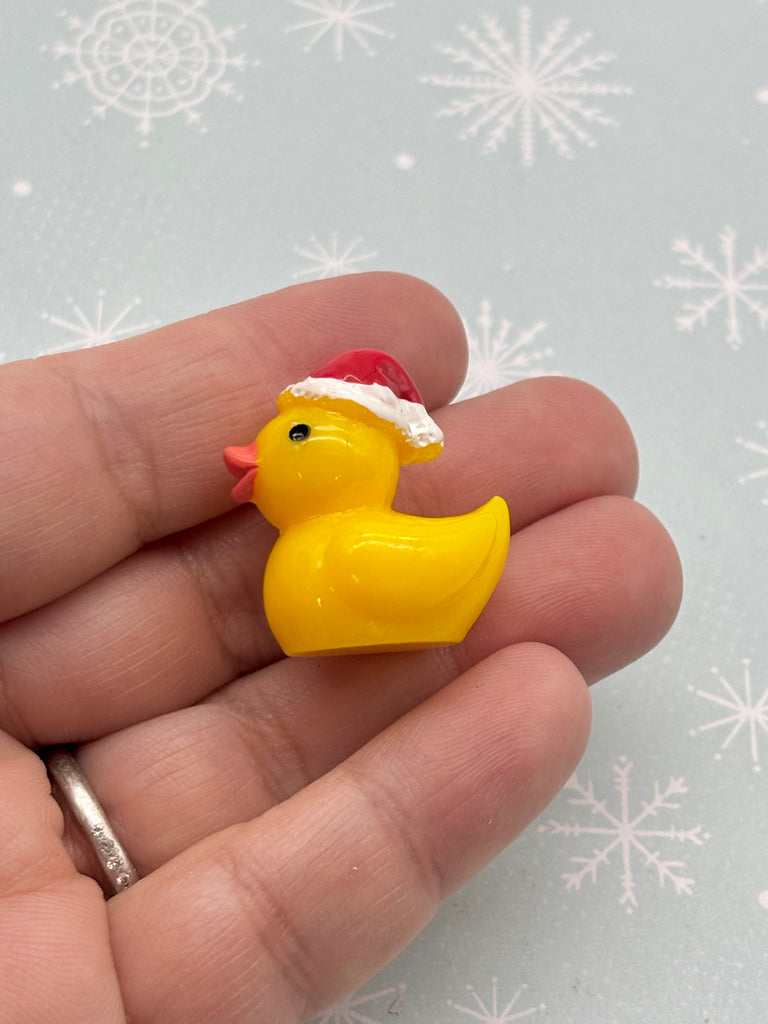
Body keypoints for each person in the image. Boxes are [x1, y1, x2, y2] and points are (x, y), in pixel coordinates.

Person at [0, 273, 682, 1023]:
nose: (243, 459)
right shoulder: (313, 552)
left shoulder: (351, 547)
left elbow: (445, 565)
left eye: (290, 440)